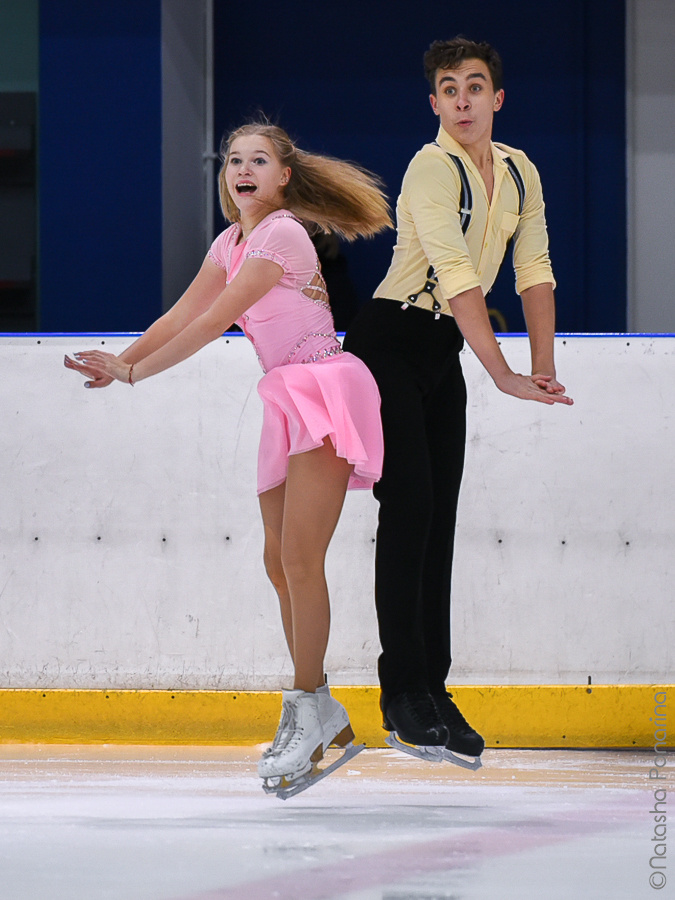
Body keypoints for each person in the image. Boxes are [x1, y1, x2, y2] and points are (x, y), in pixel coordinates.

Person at [65, 122, 391, 795]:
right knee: (277, 561)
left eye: (258, 160)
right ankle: (321, 705)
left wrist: (135, 376)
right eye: (233, 159)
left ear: (282, 178)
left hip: (325, 392)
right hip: (286, 398)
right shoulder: (230, 241)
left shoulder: (282, 235)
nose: (242, 169)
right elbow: (183, 313)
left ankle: (304, 709)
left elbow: (217, 321)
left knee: (300, 559)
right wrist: (120, 361)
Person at [343, 37, 574, 766]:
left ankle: (432, 688)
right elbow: (452, 273)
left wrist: (540, 366)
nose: (464, 99)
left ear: (497, 99)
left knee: (438, 518)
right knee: (407, 506)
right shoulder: (428, 166)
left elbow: (533, 267)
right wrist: (501, 371)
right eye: (450, 88)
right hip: (387, 343)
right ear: (435, 102)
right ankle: (399, 693)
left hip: (442, 350)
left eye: (476, 86)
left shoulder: (518, 171)